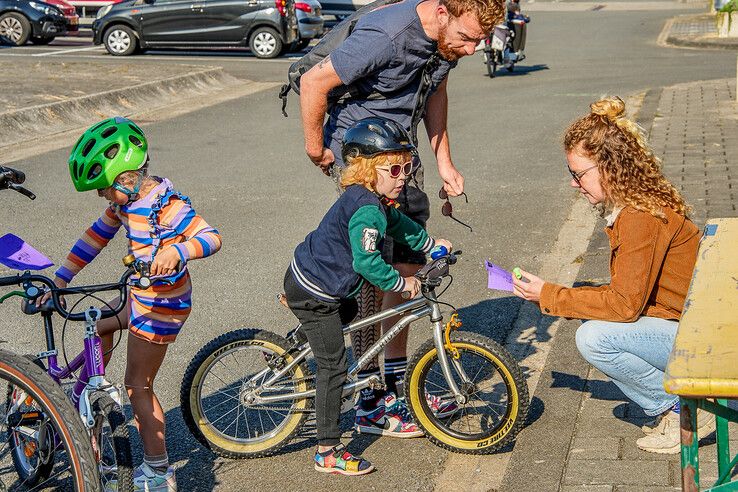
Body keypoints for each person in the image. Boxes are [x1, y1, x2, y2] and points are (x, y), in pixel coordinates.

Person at [299, 0, 502, 431]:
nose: (470, 51)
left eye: (478, 42)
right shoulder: (387, 35)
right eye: (466, 39)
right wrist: (316, 148)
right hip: (363, 157)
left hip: (400, 154)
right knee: (374, 266)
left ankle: (394, 384)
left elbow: (436, 92)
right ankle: (371, 399)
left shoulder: (444, 45)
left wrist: (444, 161)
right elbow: (314, 82)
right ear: (443, 12)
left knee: (410, 261)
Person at [511, 96, 714, 455]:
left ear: (610, 166)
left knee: (595, 338)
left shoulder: (638, 217)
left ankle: (683, 411)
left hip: (703, 342)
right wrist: (569, 297)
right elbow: (632, 295)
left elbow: (623, 306)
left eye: (579, 173)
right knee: (596, 323)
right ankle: (682, 403)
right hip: (698, 323)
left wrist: (549, 294)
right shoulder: (640, 201)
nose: (574, 184)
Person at [44, 117, 222, 490]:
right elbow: (95, 238)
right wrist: (62, 277)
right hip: (138, 296)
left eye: (104, 188)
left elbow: (210, 237)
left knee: (137, 386)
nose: (102, 196)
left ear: (127, 177)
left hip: (162, 306)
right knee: (100, 324)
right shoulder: (126, 204)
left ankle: (158, 474)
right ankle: (88, 388)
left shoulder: (166, 206)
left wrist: (178, 250)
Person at [284, 117, 452, 475]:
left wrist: (430, 244)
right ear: (366, 170)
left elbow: (400, 226)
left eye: (407, 166)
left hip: (323, 282)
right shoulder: (366, 211)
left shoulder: (374, 200)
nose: (403, 175)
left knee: (344, 319)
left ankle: (303, 335)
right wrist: (402, 284)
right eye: (395, 168)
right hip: (315, 290)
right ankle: (327, 451)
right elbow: (368, 263)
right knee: (333, 365)